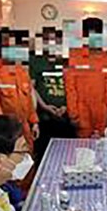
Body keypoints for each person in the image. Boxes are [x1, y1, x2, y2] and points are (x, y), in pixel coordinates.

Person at [0, 28, 39, 154]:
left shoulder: (20, 70)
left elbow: (28, 100)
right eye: (8, 46)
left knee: (28, 160)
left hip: (24, 129)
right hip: (5, 131)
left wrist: (34, 122)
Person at [29, 26, 75, 158]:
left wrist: (67, 106)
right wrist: (44, 106)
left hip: (67, 116)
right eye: (48, 41)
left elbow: (74, 88)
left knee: (68, 153)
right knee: (45, 154)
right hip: (45, 117)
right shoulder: (36, 61)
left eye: (57, 42)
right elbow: (31, 88)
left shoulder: (69, 62)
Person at [65, 17, 107, 138]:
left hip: (102, 113)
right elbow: (70, 88)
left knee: (103, 145)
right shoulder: (74, 57)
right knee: (83, 146)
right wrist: (73, 114)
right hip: (82, 113)